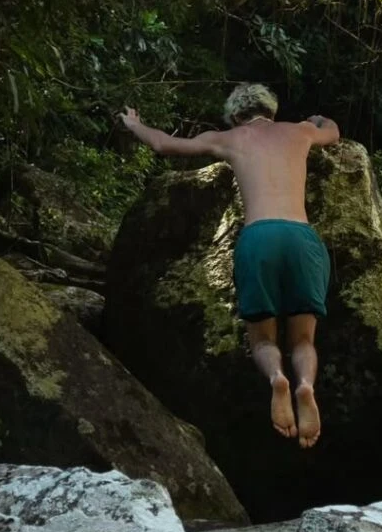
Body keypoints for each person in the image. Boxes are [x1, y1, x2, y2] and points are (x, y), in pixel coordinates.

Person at [119, 83, 339, 449]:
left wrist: (134, 124)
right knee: (303, 338)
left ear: (237, 115)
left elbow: (164, 145)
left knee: (263, 339)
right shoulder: (299, 131)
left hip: (259, 237)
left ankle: (276, 380)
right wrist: (319, 118)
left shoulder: (231, 138)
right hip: (301, 237)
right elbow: (332, 132)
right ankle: (304, 385)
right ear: (271, 109)